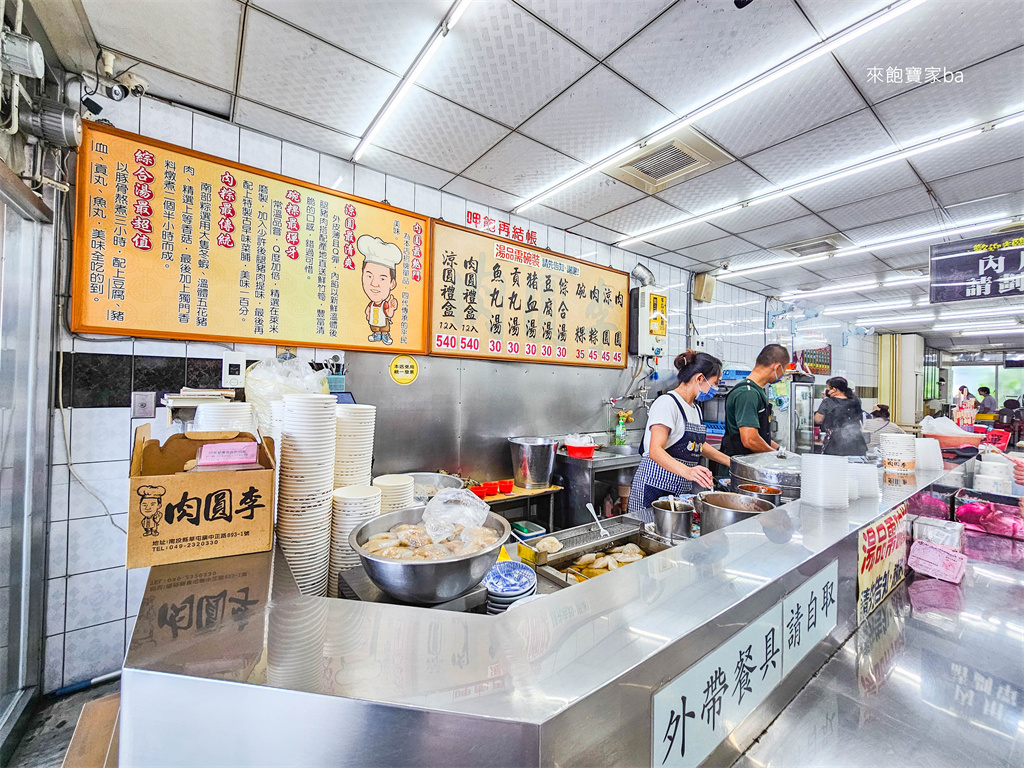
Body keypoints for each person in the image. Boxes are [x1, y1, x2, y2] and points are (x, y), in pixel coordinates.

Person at [628, 351, 732, 521]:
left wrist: (729, 462)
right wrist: (689, 472)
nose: (715, 388)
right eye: (715, 383)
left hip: (679, 492)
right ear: (699, 378)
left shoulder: (695, 408)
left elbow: (697, 444)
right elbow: (655, 450)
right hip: (653, 489)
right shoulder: (667, 403)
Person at [722, 343, 789, 457]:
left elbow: (760, 437)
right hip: (740, 468)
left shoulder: (757, 391)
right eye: (784, 371)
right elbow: (750, 440)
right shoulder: (748, 393)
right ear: (777, 367)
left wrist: (780, 450)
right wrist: (776, 457)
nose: (783, 375)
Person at [814, 377, 867, 455]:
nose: (827, 390)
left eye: (828, 388)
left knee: (836, 465)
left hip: (836, 443)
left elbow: (818, 420)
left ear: (834, 389)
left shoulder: (828, 402)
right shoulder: (856, 400)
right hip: (857, 441)